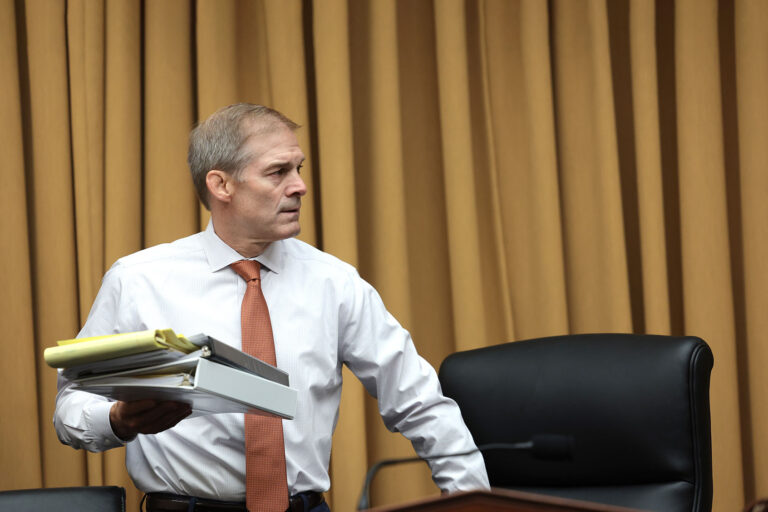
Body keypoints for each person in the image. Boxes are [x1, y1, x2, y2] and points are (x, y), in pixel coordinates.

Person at [54, 103, 489, 512]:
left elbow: (420, 402)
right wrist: (118, 420)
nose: (299, 185)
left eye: (298, 169)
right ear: (221, 184)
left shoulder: (334, 282)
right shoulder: (138, 279)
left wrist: (476, 502)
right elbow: (70, 405)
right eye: (278, 172)